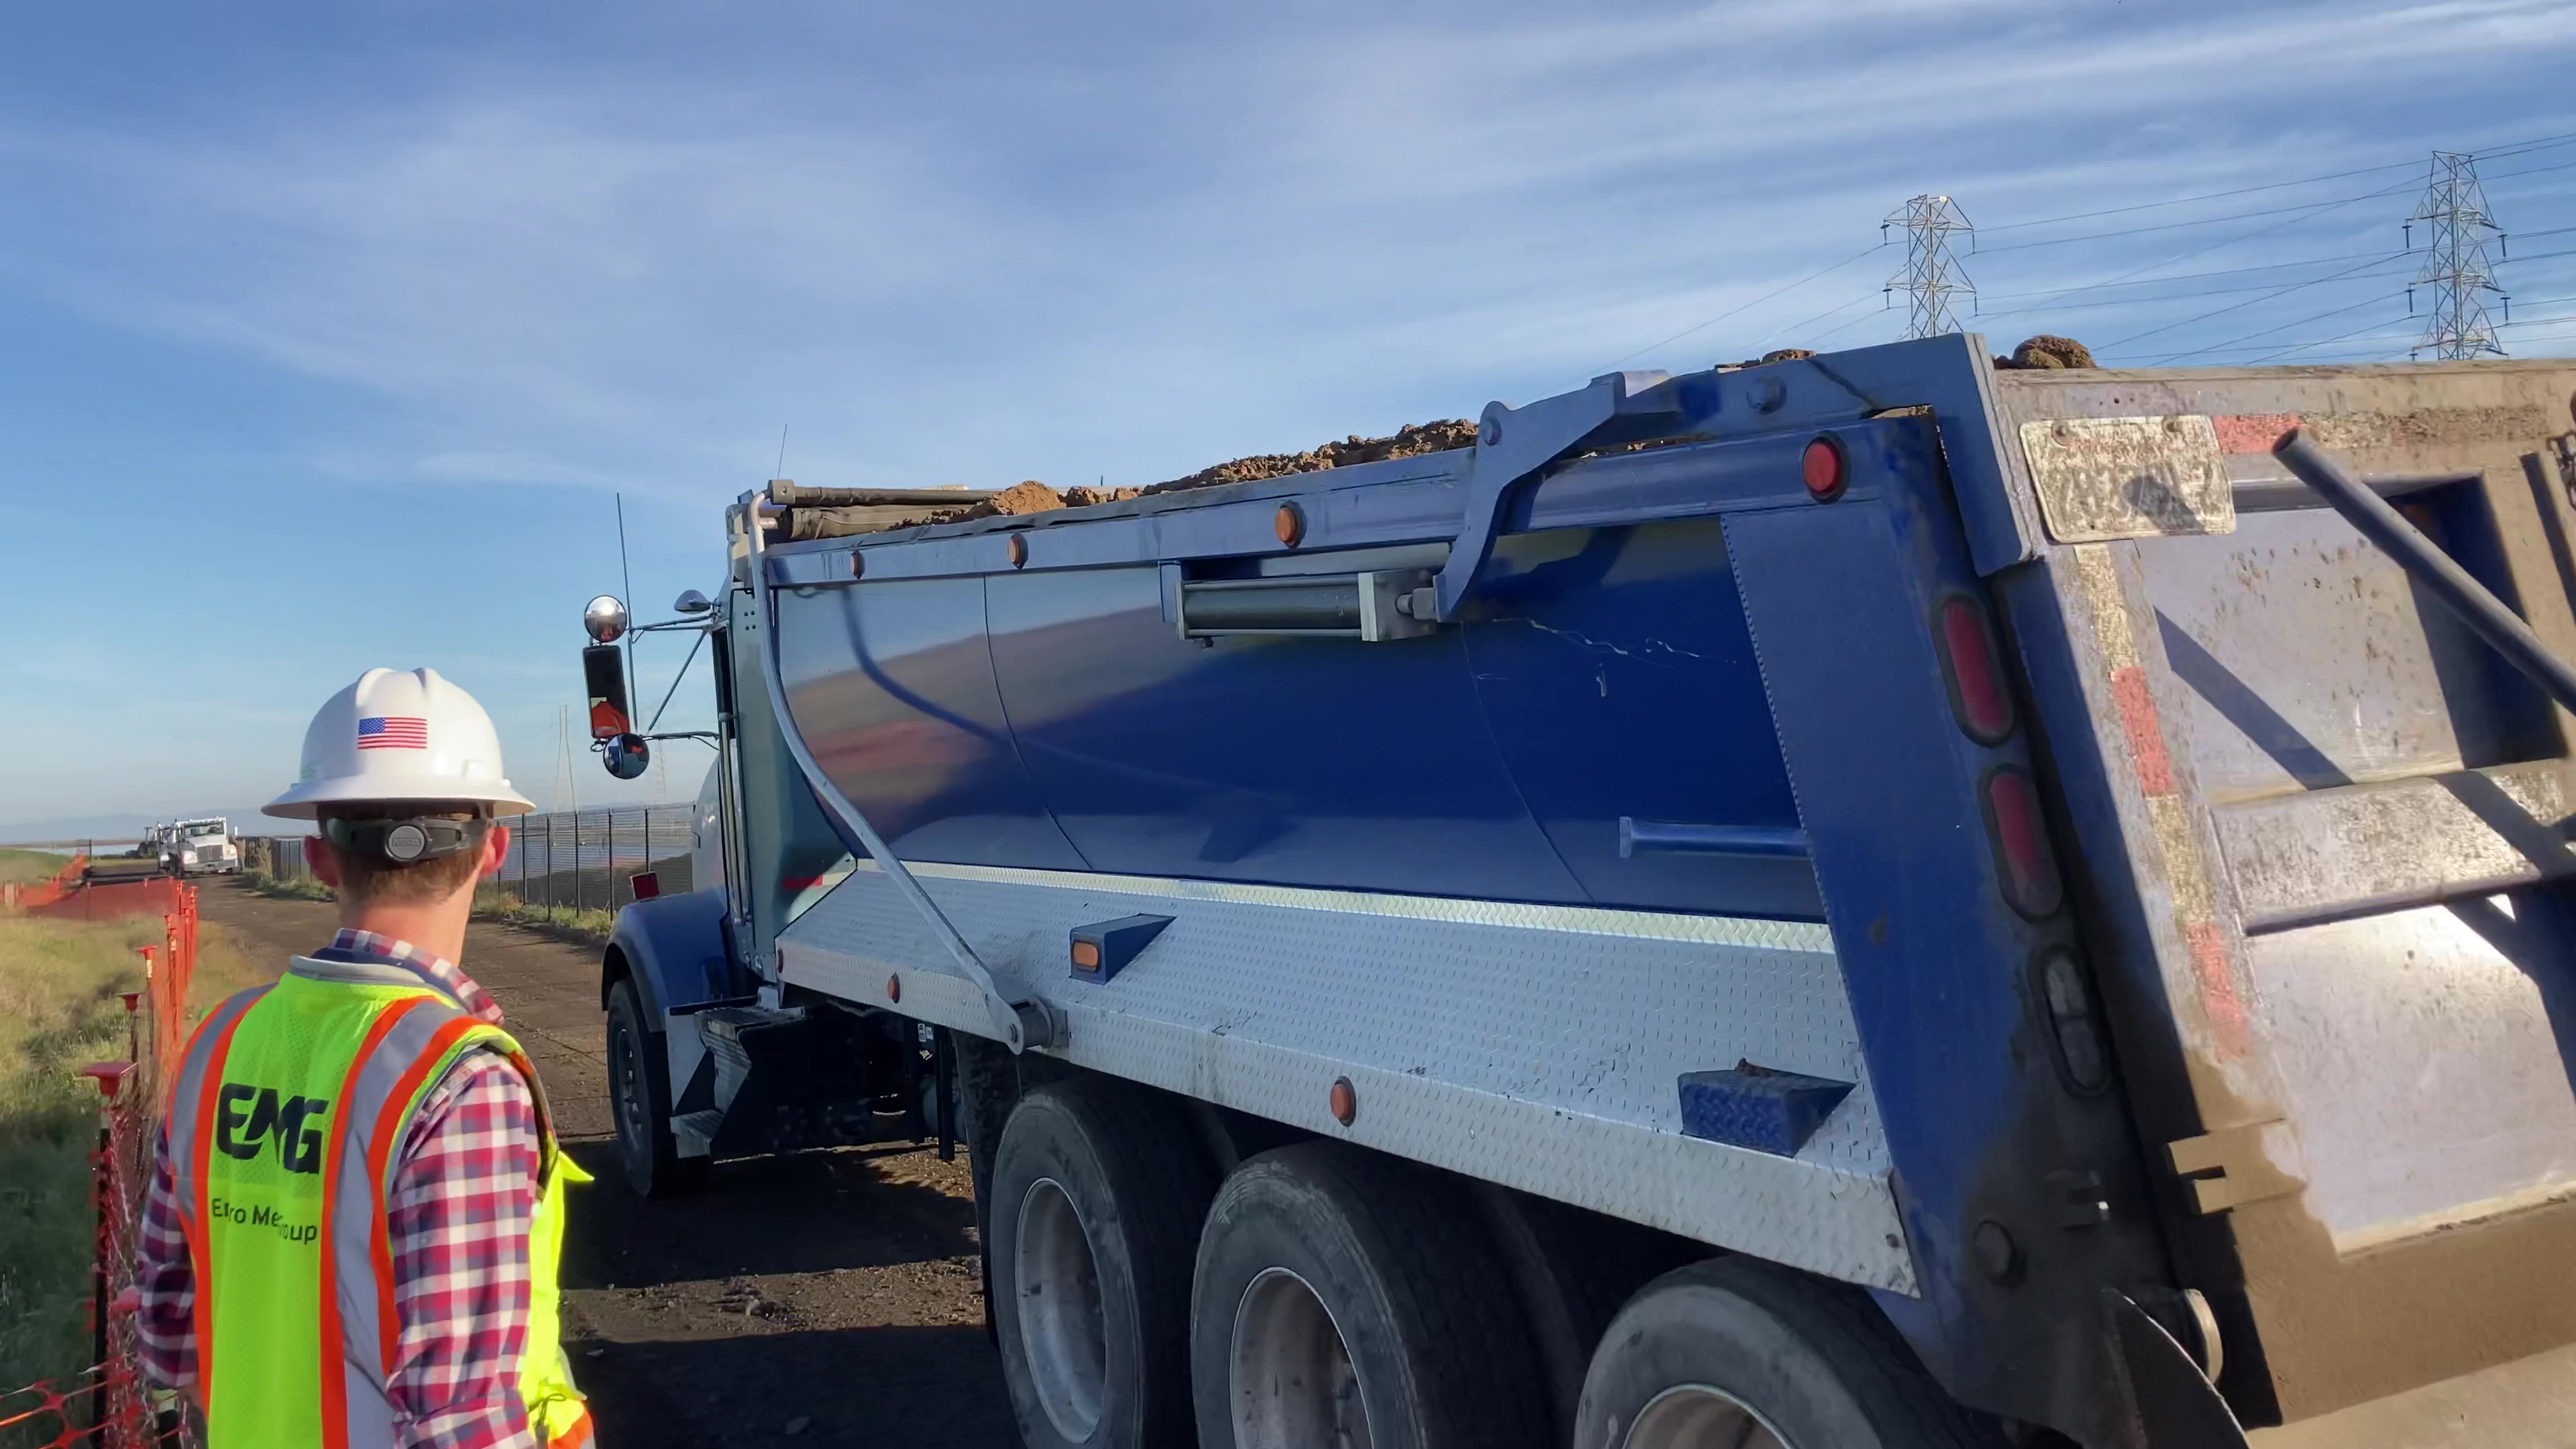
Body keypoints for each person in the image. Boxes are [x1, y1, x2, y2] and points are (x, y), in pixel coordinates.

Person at [136, 667, 594, 1448]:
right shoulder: (458, 1081)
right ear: (495, 851)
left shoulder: (220, 1043)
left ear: (318, 859)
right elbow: (462, 1426)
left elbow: (169, 1338)